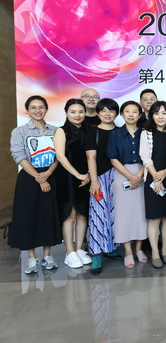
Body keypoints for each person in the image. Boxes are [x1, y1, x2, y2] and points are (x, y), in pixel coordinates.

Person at [9, 95, 62, 274]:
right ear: (28, 110)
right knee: (28, 216)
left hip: (50, 175)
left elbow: (59, 156)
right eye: (33, 107)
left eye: (41, 107)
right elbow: (19, 156)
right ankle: (32, 258)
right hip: (29, 179)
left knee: (48, 215)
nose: (37, 111)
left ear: (46, 109)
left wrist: (48, 174)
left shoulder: (56, 131)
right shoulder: (19, 131)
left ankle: (47, 256)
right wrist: (40, 178)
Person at [107, 101, 148, 268]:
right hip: (122, 174)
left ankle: (139, 249)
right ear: (122, 114)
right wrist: (130, 176)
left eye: (135, 111)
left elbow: (149, 156)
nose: (131, 115)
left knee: (141, 213)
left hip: (142, 173)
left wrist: (138, 175)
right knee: (123, 214)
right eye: (127, 111)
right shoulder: (115, 134)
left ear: (140, 115)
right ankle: (128, 251)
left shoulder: (145, 133)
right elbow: (113, 158)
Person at [54, 98, 92, 269]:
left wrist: (88, 175)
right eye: (73, 112)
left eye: (81, 111)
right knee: (70, 215)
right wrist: (78, 175)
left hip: (86, 177)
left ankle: (79, 249)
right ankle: (69, 252)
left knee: (83, 214)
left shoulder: (89, 130)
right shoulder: (61, 131)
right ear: (66, 113)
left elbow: (93, 156)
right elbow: (60, 156)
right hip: (67, 178)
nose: (77, 115)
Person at [85, 98, 120, 275]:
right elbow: (91, 157)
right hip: (99, 178)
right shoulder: (93, 133)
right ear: (98, 113)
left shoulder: (120, 131)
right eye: (104, 110)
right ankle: (96, 255)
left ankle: (110, 247)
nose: (107, 114)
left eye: (111, 110)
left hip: (119, 177)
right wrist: (94, 180)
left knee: (115, 215)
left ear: (116, 113)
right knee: (98, 215)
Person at [140, 101, 166, 269]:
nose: (160, 117)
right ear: (151, 116)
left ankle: (165, 250)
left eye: (164, 113)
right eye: (156, 113)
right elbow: (145, 157)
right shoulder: (146, 134)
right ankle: (155, 252)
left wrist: (165, 173)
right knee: (154, 218)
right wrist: (156, 178)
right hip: (152, 179)